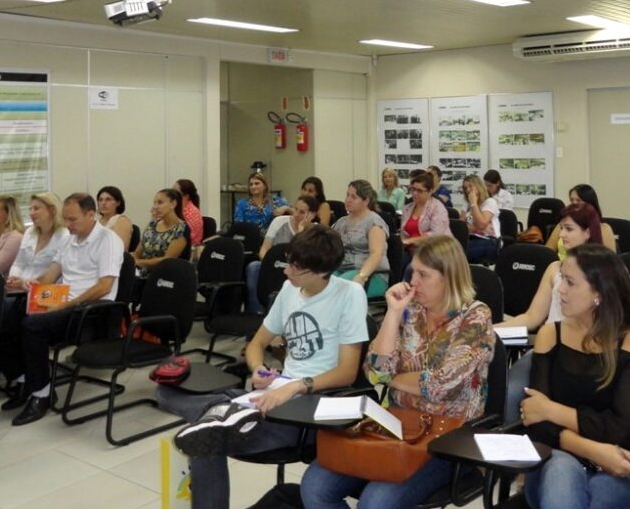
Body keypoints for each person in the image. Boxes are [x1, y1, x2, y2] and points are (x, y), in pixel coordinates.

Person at [162, 225, 368, 509]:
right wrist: (258, 369)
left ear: (321, 272)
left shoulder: (350, 294)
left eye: (296, 268)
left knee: (205, 439)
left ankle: (222, 413)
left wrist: (295, 386)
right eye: (288, 263)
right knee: (166, 392)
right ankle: (225, 413)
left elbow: (347, 372)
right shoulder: (289, 289)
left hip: (309, 407)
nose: (287, 272)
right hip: (275, 392)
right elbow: (257, 344)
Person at [300, 235, 495, 509]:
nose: (413, 281)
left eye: (423, 275)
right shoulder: (409, 310)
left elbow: (439, 386)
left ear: (449, 277)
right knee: (315, 486)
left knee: (375, 502)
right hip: (395, 425)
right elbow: (374, 373)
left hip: (448, 438)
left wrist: (391, 378)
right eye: (413, 272)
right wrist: (392, 314)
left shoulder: (475, 317)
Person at [520, 243, 630, 509]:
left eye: (570, 282)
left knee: (585, 493)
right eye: (562, 279)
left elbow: (621, 431)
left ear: (599, 293)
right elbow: (536, 424)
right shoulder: (551, 335)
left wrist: (551, 410)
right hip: (557, 461)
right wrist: (595, 450)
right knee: (561, 469)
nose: (560, 289)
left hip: (623, 468)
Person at [0, 193, 123, 425]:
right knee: (5, 317)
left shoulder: (108, 240)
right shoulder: (68, 239)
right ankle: (24, 379)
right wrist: (32, 283)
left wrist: (63, 305)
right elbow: (51, 275)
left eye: (73, 219)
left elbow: (104, 287)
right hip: (62, 301)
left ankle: (42, 394)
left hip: (89, 312)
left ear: (90, 214)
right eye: (65, 219)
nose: (68, 224)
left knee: (32, 325)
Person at [498, 202, 605, 422]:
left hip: (582, 355)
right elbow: (532, 317)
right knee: (509, 391)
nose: (562, 235)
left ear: (587, 232)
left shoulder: (602, 273)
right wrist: (488, 329)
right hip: (546, 348)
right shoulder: (553, 268)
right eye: (561, 228)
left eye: (569, 229)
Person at [332, 180, 390, 298]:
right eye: (347, 195)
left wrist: (361, 276)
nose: (348, 200)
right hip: (342, 270)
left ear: (365, 201)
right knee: (318, 284)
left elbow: (376, 254)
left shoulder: (374, 222)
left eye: (353, 197)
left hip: (371, 275)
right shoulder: (341, 222)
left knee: (335, 289)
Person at [132, 188, 188, 299]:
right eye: (154, 203)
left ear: (173, 204)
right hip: (143, 274)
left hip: (166, 279)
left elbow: (167, 260)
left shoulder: (181, 229)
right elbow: (138, 252)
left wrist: (139, 262)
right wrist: (132, 260)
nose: (155, 206)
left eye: (160, 202)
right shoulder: (152, 225)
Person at [547, 185, 617, 253]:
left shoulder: (604, 229)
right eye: (571, 200)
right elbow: (548, 252)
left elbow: (609, 258)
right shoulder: (562, 225)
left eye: (578, 200)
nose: (574, 203)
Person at [400, 171, 451, 255]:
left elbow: (436, 235)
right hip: (412, 251)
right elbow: (403, 234)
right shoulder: (407, 208)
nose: (415, 193)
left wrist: (411, 241)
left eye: (419, 191)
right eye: (413, 189)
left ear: (430, 191)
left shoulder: (437, 208)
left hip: (435, 252)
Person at [460, 174, 500, 263]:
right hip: (470, 238)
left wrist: (473, 203)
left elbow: (481, 224)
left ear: (479, 186)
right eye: (465, 188)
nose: (468, 190)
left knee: (459, 254)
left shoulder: (490, 202)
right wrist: (474, 227)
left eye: (470, 186)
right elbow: (461, 227)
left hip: (488, 240)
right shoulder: (467, 204)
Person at [96, 185, 133, 250]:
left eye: (108, 199)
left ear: (118, 203)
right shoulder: (96, 221)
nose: (103, 203)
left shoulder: (121, 220)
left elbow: (120, 248)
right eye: (100, 200)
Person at [173, 178, 204, 246]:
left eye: (175, 192)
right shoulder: (176, 208)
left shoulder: (192, 212)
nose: (171, 195)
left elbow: (186, 237)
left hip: (188, 247)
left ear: (186, 196)